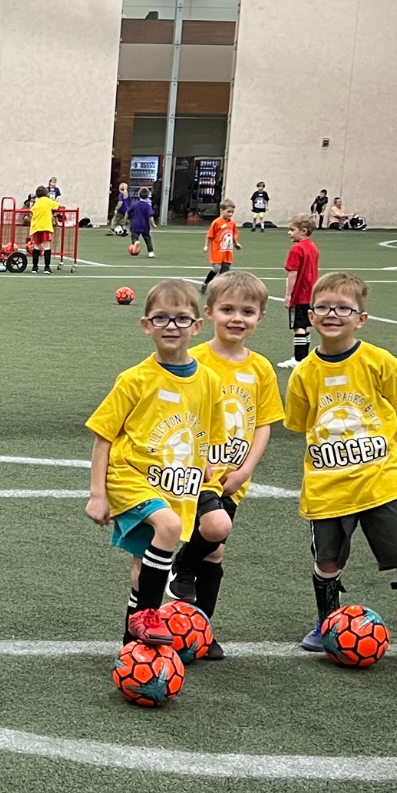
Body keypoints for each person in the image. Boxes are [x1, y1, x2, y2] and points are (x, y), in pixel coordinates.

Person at [284, 272, 397, 667]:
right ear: (311, 314)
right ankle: (327, 622)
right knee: (326, 561)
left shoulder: (379, 361)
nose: (332, 314)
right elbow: (303, 425)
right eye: (323, 307)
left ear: (361, 318)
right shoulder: (303, 373)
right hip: (327, 487)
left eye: (343, 308)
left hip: (383, 482)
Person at [83, 278, 227, 649]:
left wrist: (206, 464)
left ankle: (132, 646)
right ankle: (149, 616)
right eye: (161, 318)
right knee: (169, 525)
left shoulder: (209, 380)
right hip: (130, 478)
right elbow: (103, 437)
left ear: (197, 326)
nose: (171, 326)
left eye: (181, 319)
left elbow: (207, 429)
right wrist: (98, 494)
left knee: (141, 571)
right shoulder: (134, 380)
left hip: (178, 484)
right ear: (147, 325)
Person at [167, 270, 283, 656]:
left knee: (215, 551)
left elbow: (264, 423)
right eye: (227, 309)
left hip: (234, 474)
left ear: (261, 317)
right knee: (215, 528)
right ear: (209, 313)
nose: (237, 318)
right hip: (194, 472)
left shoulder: (261, 368)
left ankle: (200, 633)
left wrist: (246, 469)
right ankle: (182, 567)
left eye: (247, 311)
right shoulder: (193, 359)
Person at [279, 213, 321, 369]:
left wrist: (289, 295)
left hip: (300, 295)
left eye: (292, 230)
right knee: (306, 325)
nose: (289, 233)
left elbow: (292, 273)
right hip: (312, 294)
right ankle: (304, 357)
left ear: (303, 231)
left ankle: (298, 359)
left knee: (299, 327)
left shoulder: (297, 249)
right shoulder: (312, 247)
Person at [202, 199, 238, 293]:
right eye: (228, 211)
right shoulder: (216, 222)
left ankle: (220, 290)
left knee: (225, 272)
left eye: (232, 212)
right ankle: (206, 283)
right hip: (217, 250)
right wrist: (206, 246)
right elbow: (209, 236)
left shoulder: (232, 223)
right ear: (222, 210)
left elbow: (233, 235)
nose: (230, 214)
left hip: (227, 251)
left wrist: (236, 244)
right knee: (217, 268)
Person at [28, 184, 59, 273]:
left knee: (36, 246)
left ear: (37, 195)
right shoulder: (48, 201)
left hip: (36, 227)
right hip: (45, 227)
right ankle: (47, 267)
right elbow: (57, 206)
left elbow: (31, 212)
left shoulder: (36, 203)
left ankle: (34, 267)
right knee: (46, 246)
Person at [127, 187, 157, 256]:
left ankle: (135, 242)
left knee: (134, 237)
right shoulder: (147, 206)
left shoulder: (135, 204)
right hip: (144, 225)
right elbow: (150, 216)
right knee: (147, 239)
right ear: (147, 197)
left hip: (135, 224)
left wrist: (126, 220)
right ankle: (150, 252)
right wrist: (153, 224)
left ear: (138, 195)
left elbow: (127, 212)